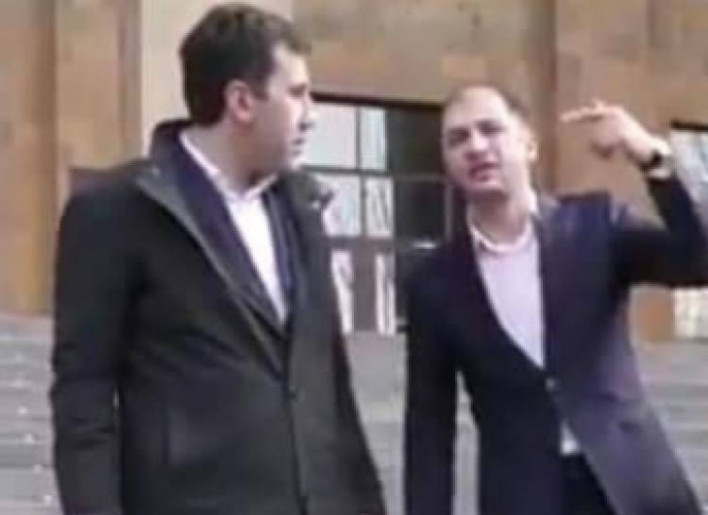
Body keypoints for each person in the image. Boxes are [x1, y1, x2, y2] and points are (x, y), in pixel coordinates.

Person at [50, 4, 385, 515]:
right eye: (297, 94)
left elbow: (333, 390)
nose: (312, 114)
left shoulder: (303, 209)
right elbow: (83, 397)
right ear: (241, 102)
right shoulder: (118, 211)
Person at [404, 84, 708, 515]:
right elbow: (429, 429)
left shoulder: (594, 226)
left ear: (528, 145)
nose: (476, 147)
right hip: (523, 497)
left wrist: (651, 158)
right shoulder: (435, 283)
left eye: (490, 129)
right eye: (458, 138)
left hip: (634, 489)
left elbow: (698, 260)